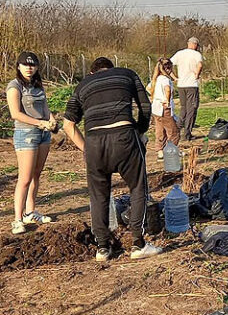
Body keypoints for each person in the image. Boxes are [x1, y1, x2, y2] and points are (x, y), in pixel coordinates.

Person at [62, 58, 162, 261]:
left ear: (92, 73)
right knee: (137, 188)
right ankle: (138, 244)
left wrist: (86, 149)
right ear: (111, 69)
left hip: (94, 142)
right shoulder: (127, 74)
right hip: (124, 137)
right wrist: (140, 133)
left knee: (98, 195)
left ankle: (102, 248)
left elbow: (68, 125)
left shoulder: (83, 85)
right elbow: (145, 106)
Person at [6, 52, 56, 234]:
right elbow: (15, 113)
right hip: (26, 134)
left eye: (32, 65)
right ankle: (17, 219)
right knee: (24, 178)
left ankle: (30, 212)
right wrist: (39, 123)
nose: (29, 68)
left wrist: (51, 120)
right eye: (25, 65)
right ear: (18, 66)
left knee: (36, 174)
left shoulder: (37, 85)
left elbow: (45, 108)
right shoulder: (15, 86)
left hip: (43, 134)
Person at [171, 37, 203, 141]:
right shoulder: (196, 54)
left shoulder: (179, 53)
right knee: (192, 109)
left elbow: (167, 65)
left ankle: (177, 131)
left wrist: (174, 77)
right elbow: (200, 65)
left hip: (181, 85)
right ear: (195, 45)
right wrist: (197, 75)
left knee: (183, 108)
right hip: (192, 85)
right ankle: (187, 133)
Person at [149, 58, 180, 160]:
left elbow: (148, 88)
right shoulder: (165, 79)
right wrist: (166, 99)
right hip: (164, 109)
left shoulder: (156, 79)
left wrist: (155, 96)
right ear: (168, 68)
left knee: (160, 130)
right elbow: (167, 89)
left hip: (156, 109)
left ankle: (160, 151)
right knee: (174, 132)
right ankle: (170, 152)